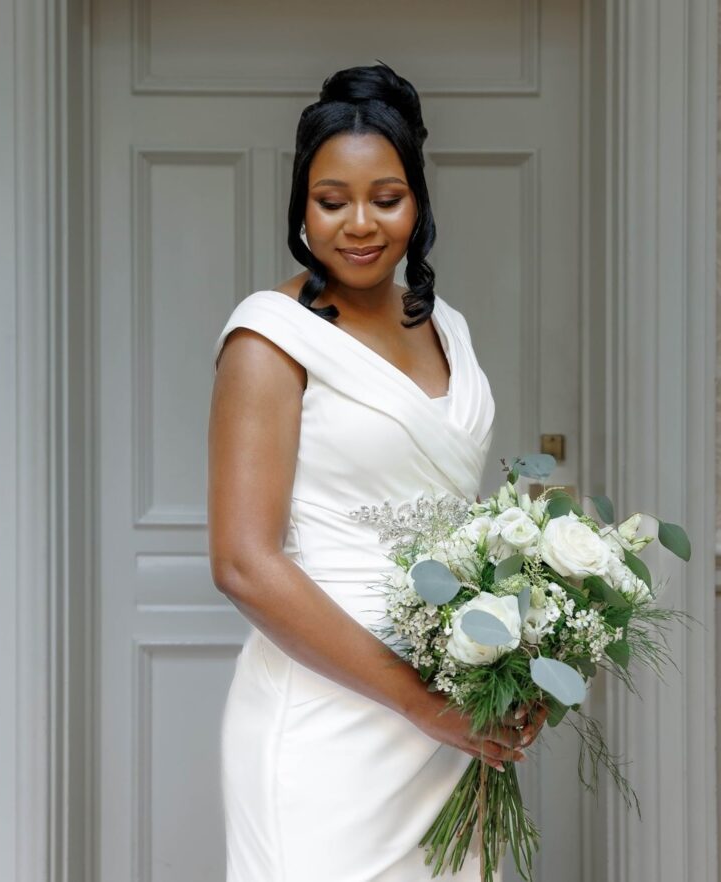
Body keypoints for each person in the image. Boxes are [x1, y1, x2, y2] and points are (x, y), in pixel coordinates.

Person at [207, 61, 548, 882]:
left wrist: (511, 662)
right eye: (331, 202)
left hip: (450, 719)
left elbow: (460, 516)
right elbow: (243, 565)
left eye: (386, 198)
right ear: (301, 206)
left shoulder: (449, 330)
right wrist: (419, 703)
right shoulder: (267, 339)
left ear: (419, 201)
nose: (358, 225)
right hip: (332, 721)